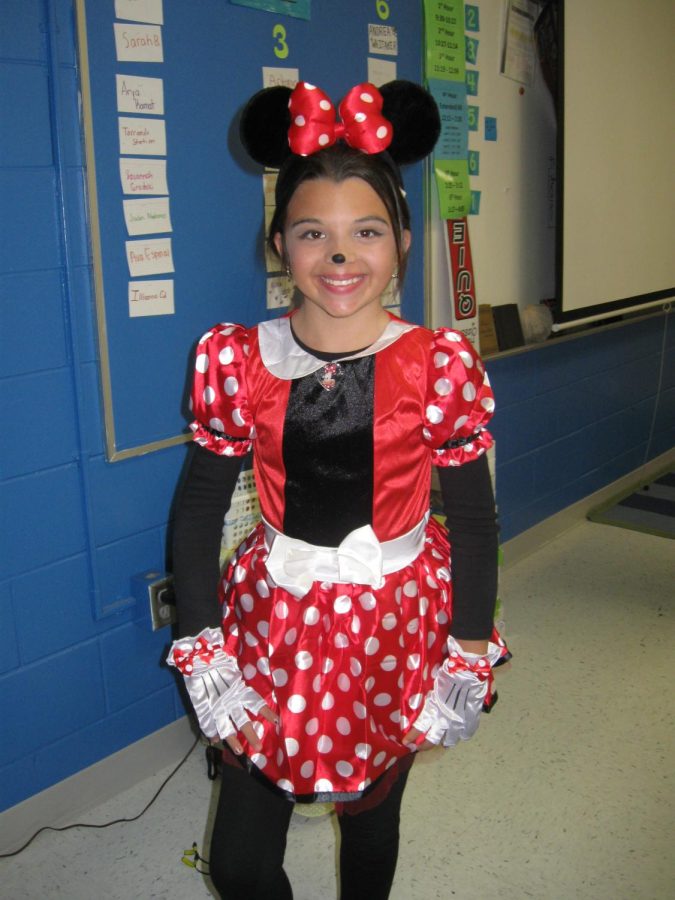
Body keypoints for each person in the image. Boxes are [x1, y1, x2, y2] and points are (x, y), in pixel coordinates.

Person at [167, 80, 510, 900]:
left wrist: (464, 651)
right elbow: (196, 511)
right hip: (273, 623)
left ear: (398, 241)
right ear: (279, 244)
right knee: (242, 865)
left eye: (365, 232)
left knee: (369, 813)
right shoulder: (236, 359)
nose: (340, 256)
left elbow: (471, 518)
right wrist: (207, 649)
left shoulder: (436, 364)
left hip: (392, 622)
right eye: (312, 232)